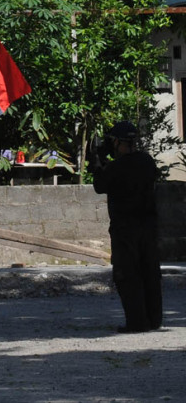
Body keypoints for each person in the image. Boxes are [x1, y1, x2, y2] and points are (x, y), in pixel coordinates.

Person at [91, 121, 163, 333]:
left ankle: (137, 322)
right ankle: (154, 319)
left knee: (128, 274)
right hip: (149, 226)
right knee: (150, 271)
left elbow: (99, 186)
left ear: (119, 143)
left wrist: (97, 162)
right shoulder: (147, 162)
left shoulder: (116, 167)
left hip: (125, 228)